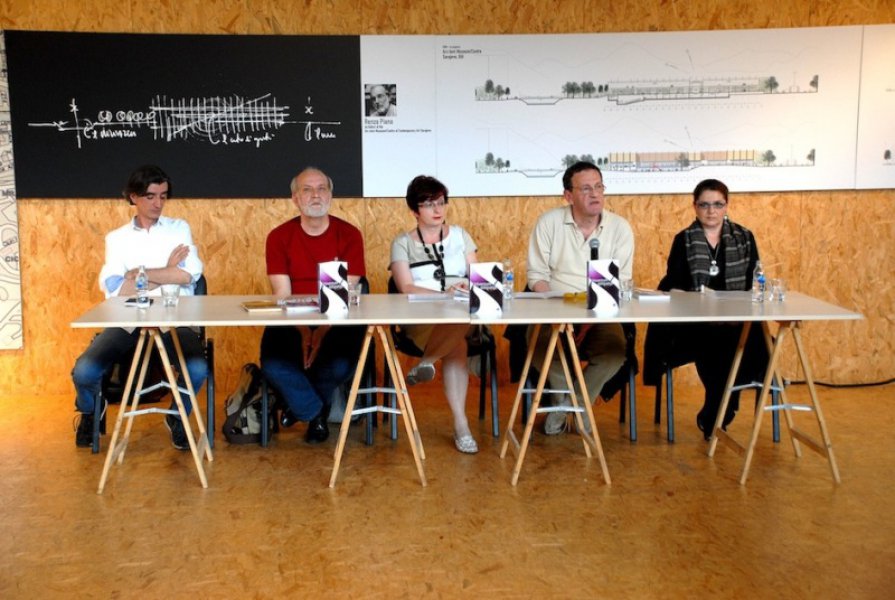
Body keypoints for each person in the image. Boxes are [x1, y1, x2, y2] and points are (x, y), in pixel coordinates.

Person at [71, 165, 207, 450]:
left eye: (163, 196)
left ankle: (177, 416)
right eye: (150, 196)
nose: (158, 203)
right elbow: (116, 289)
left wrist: (139, 274)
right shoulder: (117, 238)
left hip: (174, 318)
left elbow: (188, 276)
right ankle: (91, 411)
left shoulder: (179, 228)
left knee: (197, 369)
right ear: (133, 197)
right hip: (128, 319)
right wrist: (166, 270)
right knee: (84, 371)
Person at [643, 178, 769, 439]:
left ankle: (716, 411)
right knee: (717, 343)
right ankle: (721, 410)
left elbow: (754, 283)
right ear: (695, 206)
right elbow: (675, 285)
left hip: (736, 319)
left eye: (718, 204)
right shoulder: (684, 240)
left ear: (726, 206)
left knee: (759, 346)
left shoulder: (745, 238)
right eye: (704, 205)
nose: (711, 211)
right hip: (696, 322)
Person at [260, 167, 366, 444]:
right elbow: (283, 294)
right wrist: (304, 330)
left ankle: (298, 405)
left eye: (322, 189)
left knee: (338, 365)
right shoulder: (279, 236)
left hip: (337, 318)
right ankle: (314, 411)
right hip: (292, 318)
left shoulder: (350, 235)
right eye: (307, 190)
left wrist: (321, 331)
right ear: (295, 199)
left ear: (331, 195)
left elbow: (344, 294)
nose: (316, 195)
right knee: (273, 365)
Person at [527, 161, 633, 435]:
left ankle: (574, 404)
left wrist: (592, 314)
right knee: (540, 348)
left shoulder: (619, 228)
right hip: (555, 308)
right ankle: (567, 400)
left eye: (598, 187)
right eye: (585, 189)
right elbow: (537, 277)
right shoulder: (549, 223)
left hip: (601, 310)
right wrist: (556, 310)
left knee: (614, 352)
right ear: (568, 195)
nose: (594, 194)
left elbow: (621, 281)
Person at [389, 175, 479, 454]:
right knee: (458, 344)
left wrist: (464, 287)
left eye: (441, 202)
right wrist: (444, 295)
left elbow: (477, 279)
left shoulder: (461, 236)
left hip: (463, 312)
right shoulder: (402, 243)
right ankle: (461, 426)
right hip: (422, 318)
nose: (437, 209)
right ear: (414, 210)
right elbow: (405, 287)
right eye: (428, 204)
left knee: (459, 324)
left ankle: (427, 363)